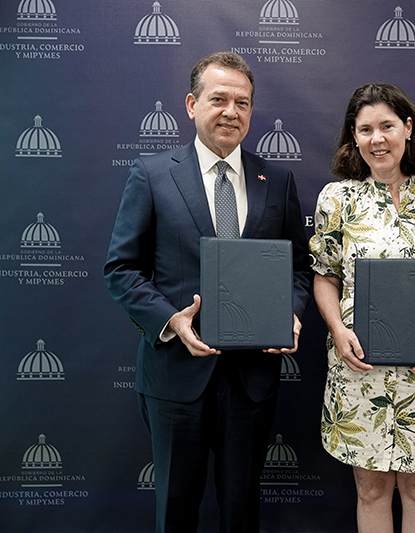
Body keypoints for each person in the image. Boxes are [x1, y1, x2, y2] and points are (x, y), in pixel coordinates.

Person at [104, 52, 312, 533]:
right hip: (177, 375)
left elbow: (298, 269)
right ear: (191, 104)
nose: (231, 112)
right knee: (176, 510)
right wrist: (170, 320)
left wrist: (292, 312)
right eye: (218, 99)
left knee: (242, 512)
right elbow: (121, 269)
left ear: (252, 112)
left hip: (251, 377)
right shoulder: (152, 174)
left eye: (242, 102)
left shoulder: (276, 179)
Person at [310, 83, 415, 533]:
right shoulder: (336, 199)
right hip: (359, 366)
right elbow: (324, 277)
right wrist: (337, 330)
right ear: (353, 136)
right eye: (365, 129)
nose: (377, 138)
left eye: (387, 125)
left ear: (408, 128)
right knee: (370, 491)